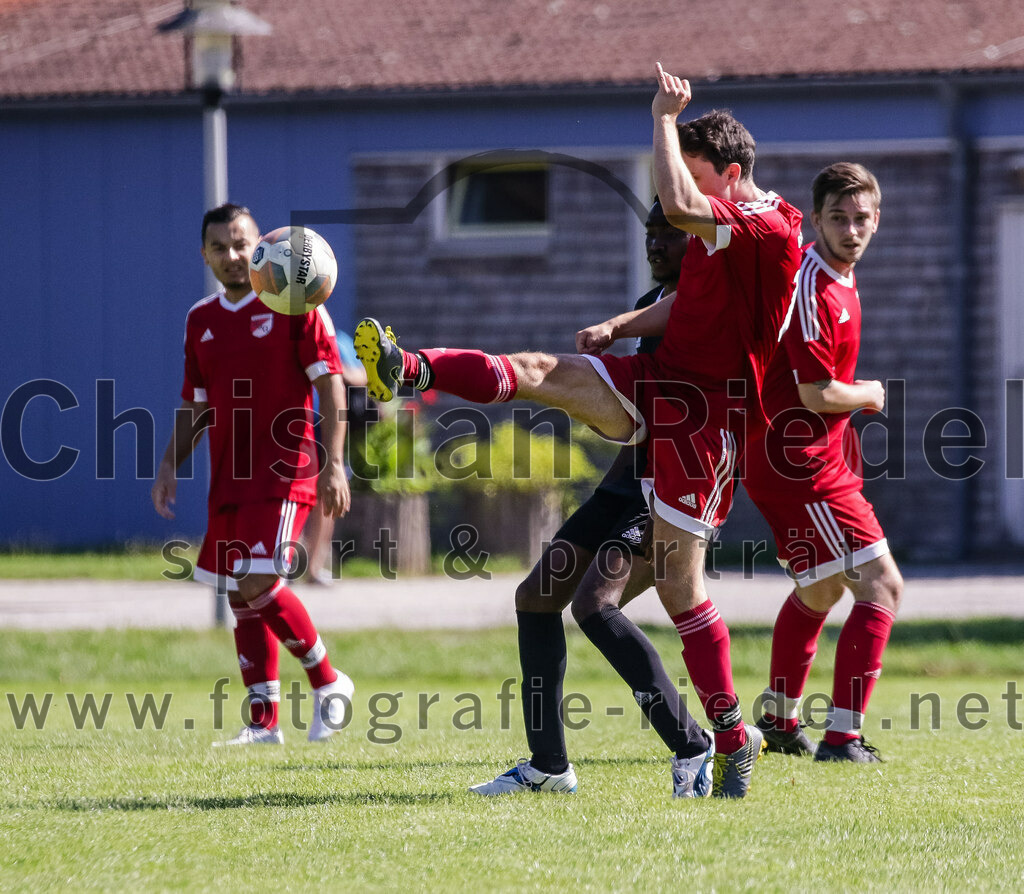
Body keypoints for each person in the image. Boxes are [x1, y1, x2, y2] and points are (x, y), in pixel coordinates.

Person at [355, 65, 803, 797]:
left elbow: (683, 207)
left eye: (689, 173)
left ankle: (724, 737)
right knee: (540, 369)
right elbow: (681, 297)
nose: (668, 196)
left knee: (680, 592)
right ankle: (411, 367)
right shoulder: (718, 234)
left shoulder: (772, 227)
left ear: (732, 171)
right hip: (656, 386)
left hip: (707, 419)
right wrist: (620, 327)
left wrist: (660, 117)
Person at [468, 198, 715, 799]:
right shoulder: (645, 310)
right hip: (623, 482)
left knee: (595, 604)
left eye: (670, 235)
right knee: (536, 596)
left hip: (668, 490)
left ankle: (694, 747)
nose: (656, 245)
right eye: (650, 234)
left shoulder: (706, 313)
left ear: (701, 245)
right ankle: (548, 767)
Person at [152, 203, 355, 746]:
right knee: (240, 594)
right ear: (205, 255)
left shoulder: (295, 304)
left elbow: (332, 383)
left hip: (287, 469)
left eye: (241, 243)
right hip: (231, 479)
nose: (233, 255)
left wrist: (336, 462)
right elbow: (195, 404)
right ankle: (263, 722)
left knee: (260, 579)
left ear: (260, 245)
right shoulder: (201, 320)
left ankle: (329, 683)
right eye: (219, 247)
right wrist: (171, 463)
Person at [743, 163, 903, 762]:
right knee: (882, 586)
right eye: (838, 217)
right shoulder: (812, 284)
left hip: (801, 458)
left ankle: (781, 722)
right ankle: (843, 737)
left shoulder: (841, 276)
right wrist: (871, 393)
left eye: (862, 218)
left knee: (820, 586)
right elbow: (816, 394)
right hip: (799, 463)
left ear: (876, 219)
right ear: (816, 220)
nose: (852, 229)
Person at [302, 330, 368, 585]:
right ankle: (279, 565)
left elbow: (363, 375)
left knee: (324, 499)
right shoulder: (284, 332)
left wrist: (335, 372)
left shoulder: (336, 338)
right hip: (293, 426)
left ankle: (313, 567)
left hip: (325, 427)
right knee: (289, 497)